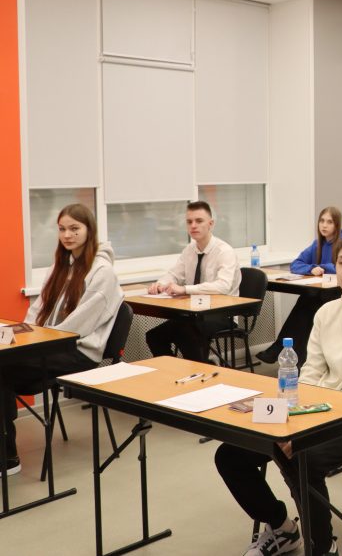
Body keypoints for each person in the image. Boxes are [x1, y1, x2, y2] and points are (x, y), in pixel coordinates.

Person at [214, 234, 342, 556]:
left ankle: (322, 545)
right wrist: (298, 416)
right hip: (314, 411)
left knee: (299, 455)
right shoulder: (326, 312)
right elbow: (310, 374)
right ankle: (282, 528)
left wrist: (307, 428)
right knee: (231, 454)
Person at [3, 204, 122, 476]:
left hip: (79, 351)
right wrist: (25, 335)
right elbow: (38, 309)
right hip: (51, 344)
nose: (67, 235)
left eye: (74, 228)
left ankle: (7, 456)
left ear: (89, 230)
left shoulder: (102, 271)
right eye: (62, 229)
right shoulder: (59, 265)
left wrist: (39, 343)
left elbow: (80, 325)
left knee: (2, 370)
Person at [144, 201, 242, 362]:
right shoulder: (189, 250)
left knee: (186, 331)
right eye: (189, 222)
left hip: (222, 315)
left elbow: (223, 286)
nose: (193, 226)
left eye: (199, 221)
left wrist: (185, 289)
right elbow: (174, 274)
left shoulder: (225, 252)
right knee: (154, 336)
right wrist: (160, 284)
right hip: (194, 313)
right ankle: (178, 371)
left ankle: (200, 370)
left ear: (211, 224)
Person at [256, 207, 342, 365]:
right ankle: (287, 351)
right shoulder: (318, 244)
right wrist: (311, 268)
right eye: (322, 221)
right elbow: (296, 264)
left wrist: (322, 268)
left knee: (308, 304)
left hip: (339, 293)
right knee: (305, 302)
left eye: (329, 222)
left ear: (337, 225)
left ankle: (291, 354)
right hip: (319, 292)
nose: (324, 225)